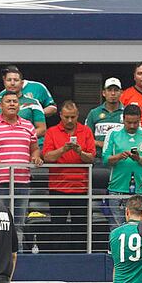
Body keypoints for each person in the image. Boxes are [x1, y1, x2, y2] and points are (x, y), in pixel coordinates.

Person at [0, 91, 44, 245]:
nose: (12, 104)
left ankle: (18, 259)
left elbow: (34, 148)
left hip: (22, 181)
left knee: (18, 224)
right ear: (1, 106)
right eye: (8, 101)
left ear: (19, 106)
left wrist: (36, 156)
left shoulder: (28, 125)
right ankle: (0, 259)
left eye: (15, 101)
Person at [42, 101, 96, 252]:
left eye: (73, 117)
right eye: (66, 117)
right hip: (58, 188)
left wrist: (79, 152)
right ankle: (58, 259)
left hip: (81, 188)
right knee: (57, 227)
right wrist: (63, 150)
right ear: (60, 115)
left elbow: (91, 158)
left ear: (78, 115)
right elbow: (47, 157)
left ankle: (81, 260)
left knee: (81, 227)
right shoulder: (52, 131)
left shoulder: (86, 131)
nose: (70, 120)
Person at [101, 104, 142, 226]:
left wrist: (138, 158)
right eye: (129, 122)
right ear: (123, 119)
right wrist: (119, 156)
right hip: (117, 190)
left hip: (140, 190)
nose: (132, 126)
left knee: (141, 228)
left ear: (140, 120)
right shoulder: (113, 134)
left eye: (135, 122)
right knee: (116, 227)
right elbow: (105, 159)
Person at [0, 66, 48, 142]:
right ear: (4, 82)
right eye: (9, 80)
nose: (12, 83)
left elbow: (42, 129)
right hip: (1, 146)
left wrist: (19, 137)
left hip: (28, 147)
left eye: (16, 80)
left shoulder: (33, 103)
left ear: (21, 83)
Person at [86, 77, 124, 159]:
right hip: (98, 158)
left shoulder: (127, 113)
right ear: (104, 93)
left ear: (121, 93)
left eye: (116, 90)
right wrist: (100, 143)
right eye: (109, 90)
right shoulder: (94, 113)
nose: (113, 93)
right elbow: (85, 137)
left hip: (121, 159)